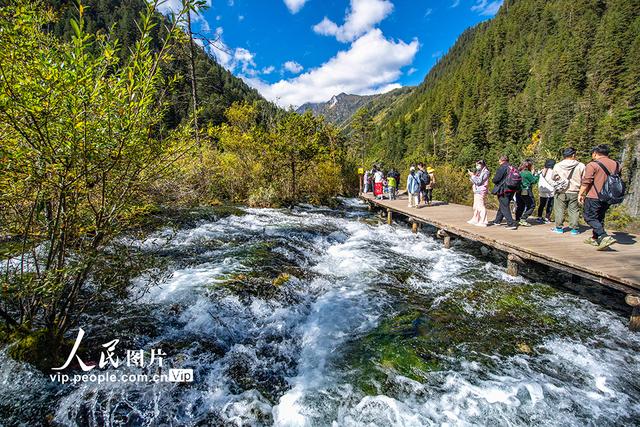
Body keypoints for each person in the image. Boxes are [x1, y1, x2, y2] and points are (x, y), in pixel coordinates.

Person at [579, 144, 621, 250]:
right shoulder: (617, 164)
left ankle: (604, 236)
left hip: (594, 195)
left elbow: (587, 181)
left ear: (595, 153)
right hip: (609, 196)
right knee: (600, 217)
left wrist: (581, 194)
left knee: (589, 216)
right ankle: (595, 238)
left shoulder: (592, 165)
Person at [551, 147, 585, 235]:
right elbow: (584, 179)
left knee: (559, 209)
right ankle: (574, 229)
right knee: (574, 210)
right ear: (573, 155)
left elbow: (553, 177)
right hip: (574, 191)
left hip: (561, 191)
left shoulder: (558, 165)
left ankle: (559, 228)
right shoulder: (581, 165)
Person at [489, 155, 518, 229]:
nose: (499, 161)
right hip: (512, 188)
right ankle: (497, 221)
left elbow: (496, 179)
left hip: (504, 189)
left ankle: (511, 224)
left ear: (502, 160)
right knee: (503, 204)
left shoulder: (502, 167)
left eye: (499, 160)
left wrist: (493, 180)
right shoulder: (512, 167)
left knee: (504, 206)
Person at [515, 159, 539, 227]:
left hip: (518, 190)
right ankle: (523, 219)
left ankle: (517, 219)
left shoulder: (519, 171)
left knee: (520, 205)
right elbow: (533, 181)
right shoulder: (527, 173)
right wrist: (537, 175)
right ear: (529, 166)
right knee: (532, 205)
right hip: (526, 190)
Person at [467, 160, 490, 226]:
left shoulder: (486, 172)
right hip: (476, 190)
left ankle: (483, 221)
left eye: (478, 165)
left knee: (481, 206)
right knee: (476, 206)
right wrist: (472, 176)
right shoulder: (479, 172)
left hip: (481, 190)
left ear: (482, 165)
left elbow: (479, 182)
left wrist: (473, 176)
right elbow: (475, 181)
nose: (477, 166)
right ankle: (475, 219)